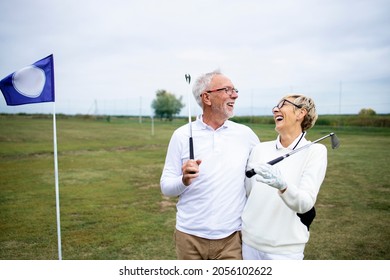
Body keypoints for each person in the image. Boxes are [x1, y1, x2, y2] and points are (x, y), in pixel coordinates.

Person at [160, 70, 260, 260]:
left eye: (235, 90)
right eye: (227, 90)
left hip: (231, 238)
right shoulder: (181, 135)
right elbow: (166, 187)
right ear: (206, 97)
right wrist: (184, 180)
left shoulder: (246, 134)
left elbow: (263, 171)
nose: (235, 95)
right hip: (189, 237)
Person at [242, 94, 327, 260]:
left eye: (283, 105)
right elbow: (249, 192)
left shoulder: (315, 151)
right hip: (249, 243)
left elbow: (305, 204)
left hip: (285, 251)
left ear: (301, 113)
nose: (275, 109)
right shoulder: (259, 149)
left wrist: (284, 187)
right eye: (275, 106)